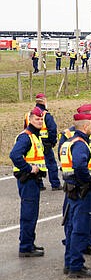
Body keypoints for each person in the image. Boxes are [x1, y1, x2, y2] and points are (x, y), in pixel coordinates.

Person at [59, 104, 91, 257]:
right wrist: (85, 179)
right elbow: (71, 160)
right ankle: (73, 247)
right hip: (80, 184)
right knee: (75, 218)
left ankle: (88, 243)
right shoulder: (70, 136)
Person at [60, 112, 91, 278]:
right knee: (80, 229)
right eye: (90, 125)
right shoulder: (81, 144)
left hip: (71, 190)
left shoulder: (68, 142)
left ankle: (69, 263)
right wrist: (87, 181)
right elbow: (79, 165)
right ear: (84, 126)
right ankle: (76, 266)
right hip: (81, 191)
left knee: (71, 227)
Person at [10, 106, 46, 258]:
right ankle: (25, 247)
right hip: (28, 180)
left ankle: (29, 242)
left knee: (32, 213)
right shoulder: (26, 137)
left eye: (41, 119)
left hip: (33, 181)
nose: (39, 121)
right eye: (37, 119)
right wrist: (28, 168)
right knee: (29, 214)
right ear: (30, 119)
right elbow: (15, 155)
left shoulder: (35, 136)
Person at [24, 93, 60, 190]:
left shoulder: (28, 115)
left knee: (36, 162)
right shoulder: (45, 115)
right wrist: (52, 142)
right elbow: (52, 129)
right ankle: (55, 184)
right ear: (44, 101)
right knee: (51, 163)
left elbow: (25, 128)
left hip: (32, 141)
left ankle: (39, 184)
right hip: (45, 142)